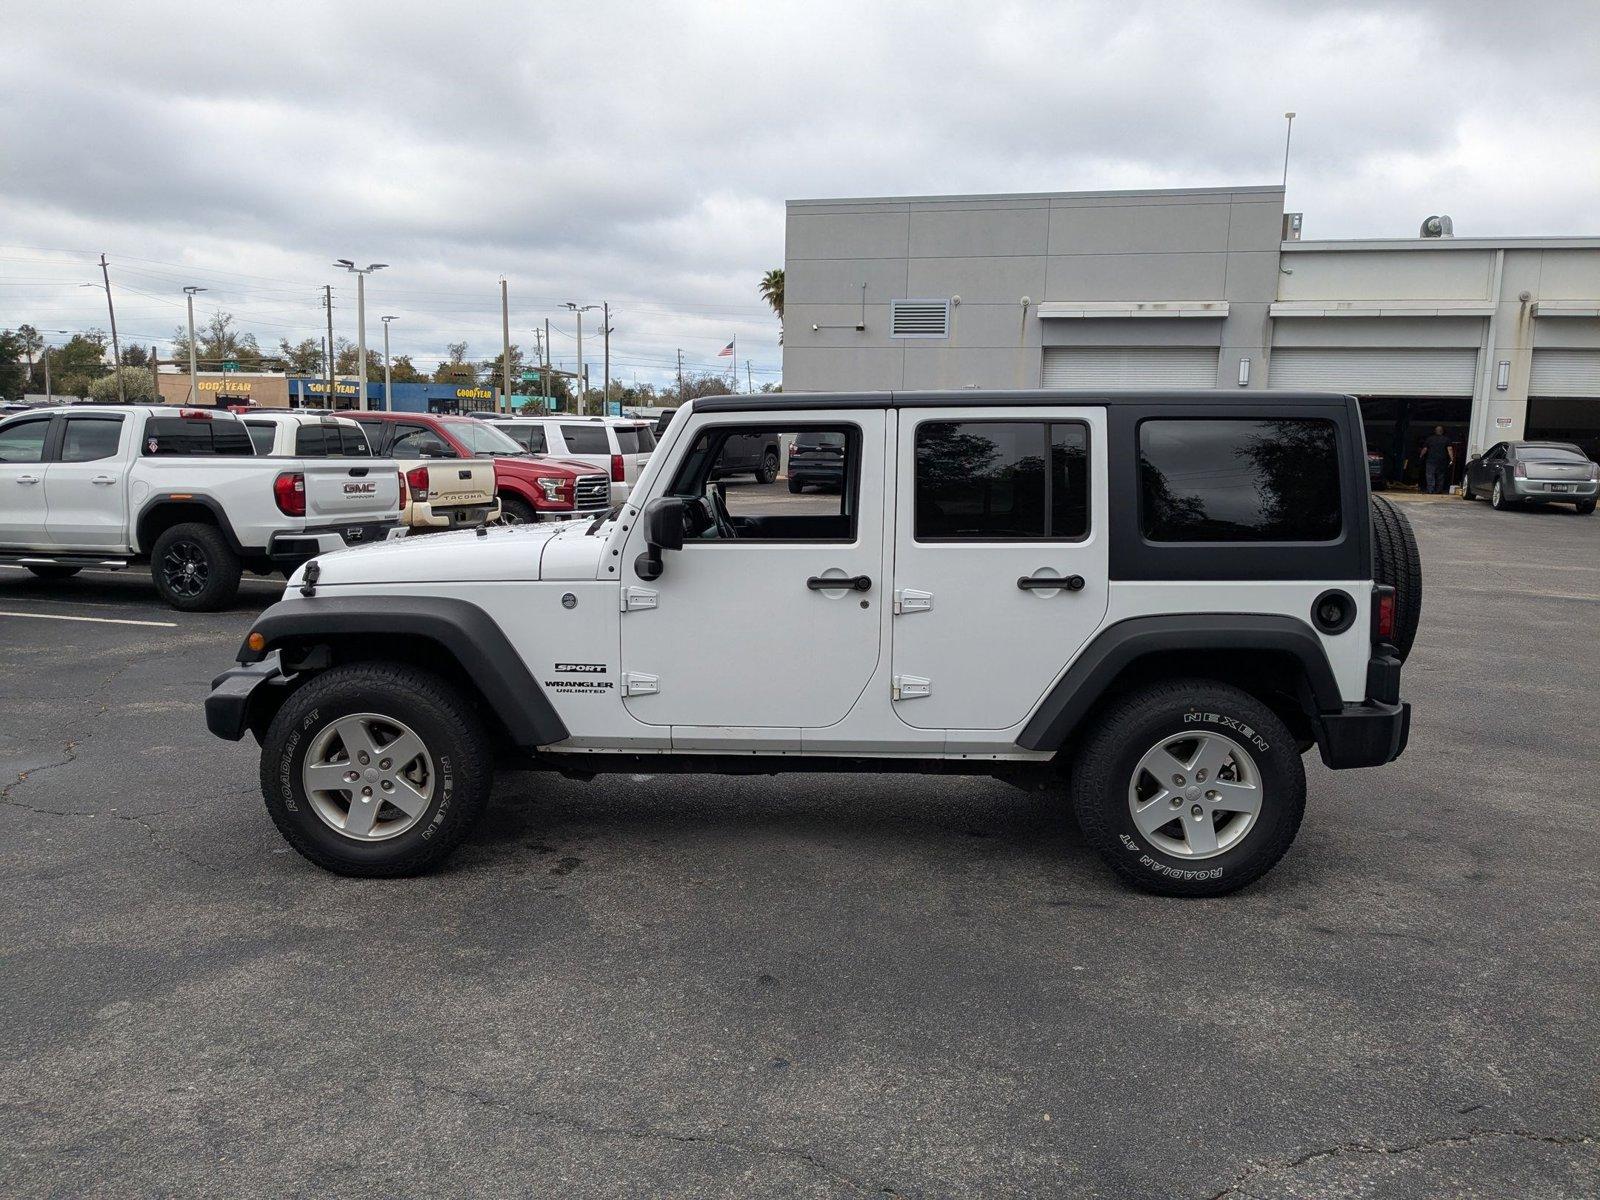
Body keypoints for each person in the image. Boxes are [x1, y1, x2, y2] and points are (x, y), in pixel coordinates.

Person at [1422, 425, 1454, 493]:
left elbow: (1425, 449)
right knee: (1440, 476)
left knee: (1430, 475)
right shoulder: (1446, 439)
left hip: (1431, 460)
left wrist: (1421, 456)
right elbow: (1450, 449)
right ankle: (1438, 490)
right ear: (1442, 431)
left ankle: (1430, 490)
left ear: (1435, 431)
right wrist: (1452, 459)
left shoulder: (1429, 439)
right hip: (1442, 461)